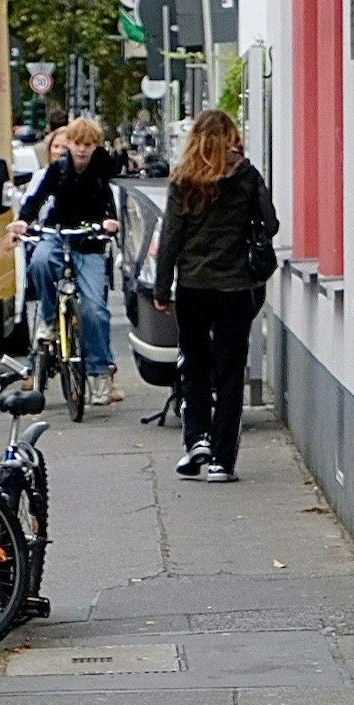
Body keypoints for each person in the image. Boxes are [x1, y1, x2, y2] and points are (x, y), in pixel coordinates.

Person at [152, 109, 277, 483]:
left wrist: (162, 288)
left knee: (194, 365)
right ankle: (222, 461)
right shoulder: (246, 175)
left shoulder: (182, 180)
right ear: (231, 137)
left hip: (193, 288)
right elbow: (270, 224)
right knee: (229, 373)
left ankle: (197, 441)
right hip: (236, 288)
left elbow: (170, 239)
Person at [8, 117, 120, 407]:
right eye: (77, 143)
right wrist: (22, 222)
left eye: (88, 144)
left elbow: (111, 200)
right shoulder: (57, 171)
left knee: (94, 309)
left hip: (90, 241)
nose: (82, 150)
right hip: (59, 233)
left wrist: (110, 221)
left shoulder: (102, 169)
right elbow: (35, 200)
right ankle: (48, 318)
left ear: (96, 146)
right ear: (68, 143)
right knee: (41, 262)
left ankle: (97, 374)